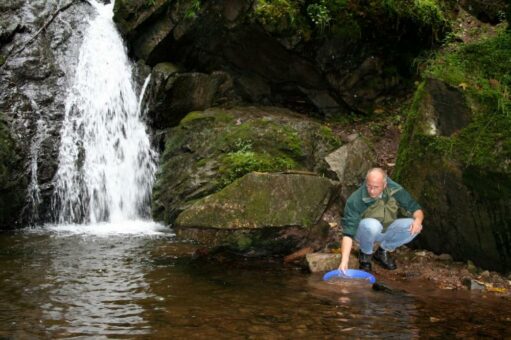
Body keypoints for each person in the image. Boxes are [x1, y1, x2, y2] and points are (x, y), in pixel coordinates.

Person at [338, 168, 424, 272]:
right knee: (371, 225)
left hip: (386, 228)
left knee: (413, 225)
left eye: (376, 187)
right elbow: (348, 234)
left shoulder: (395, 190)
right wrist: (344, 261)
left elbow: (416, 209)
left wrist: (418, 220)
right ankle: (365, 255)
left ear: (384, 184)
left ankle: (382, 251)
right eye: (369, 186)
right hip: (364, 232)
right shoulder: (355, 199)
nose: (372, 191)